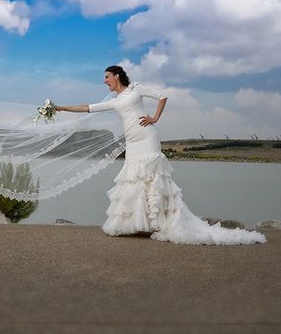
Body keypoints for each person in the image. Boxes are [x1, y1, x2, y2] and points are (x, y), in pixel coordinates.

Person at [56, 65, 265, 245]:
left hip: (147, 138)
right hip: (132, 142)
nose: (105, 81)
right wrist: (62, 107)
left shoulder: (136, 90)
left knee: (153, 178)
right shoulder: (113, 100)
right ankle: (138, 224)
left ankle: (159, 221)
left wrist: (155, 117)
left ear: (117, 76)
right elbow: (87, 107)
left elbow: (162, 95)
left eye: (107, 77)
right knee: (134, 179)